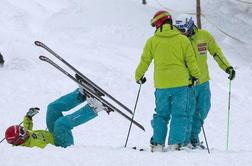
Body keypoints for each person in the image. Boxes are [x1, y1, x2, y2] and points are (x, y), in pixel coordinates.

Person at [135, 11, 201, 152]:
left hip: (162, 85)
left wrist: (139, 76)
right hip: (181, 84)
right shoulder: (183, 40)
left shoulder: (152, 41)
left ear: (159, 24)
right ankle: (175, 144)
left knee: (161, 114)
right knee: (179, 114)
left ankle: (158, 144)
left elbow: (144, 60)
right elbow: (191, 61)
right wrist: (196, 76)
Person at [175, 18, 236, 149]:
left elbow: (216, 52)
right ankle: (187, 141)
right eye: (179, 31)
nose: (182, 33)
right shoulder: (179, 40)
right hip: (187, 83)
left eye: (184, 30)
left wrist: (227, 67)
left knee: (203, 109)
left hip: (203, 81)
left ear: (191, 26)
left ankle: (193, 137)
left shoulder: (204, 36)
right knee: (188, 111)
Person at [5, 74, 107, 148]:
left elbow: (27, 128)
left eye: (21, 128)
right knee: (61, 123)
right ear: (19, 140)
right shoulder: (28, 152)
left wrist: (28, 117)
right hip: (60, 146)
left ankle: (81, 95)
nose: (25, 130)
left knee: (52, 108)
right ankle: (94, 108)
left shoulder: (25, 136)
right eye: (22, 131)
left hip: (54, 134)